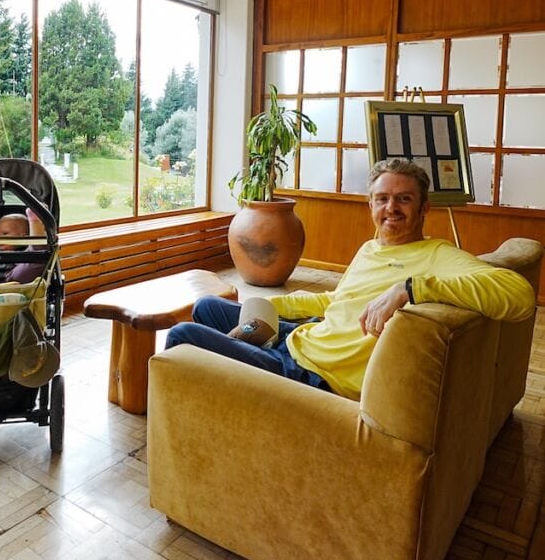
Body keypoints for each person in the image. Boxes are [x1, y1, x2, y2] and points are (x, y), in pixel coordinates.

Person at [165, 158, 536, 399]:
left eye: (404, 199)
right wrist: (269, 306)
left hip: (308, 374)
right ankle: (228, 375)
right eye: (382, 199)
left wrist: (410, 288)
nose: (391, 208)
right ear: (371, 205)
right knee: (208, 306)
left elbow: (519, 296)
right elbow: (334, 303)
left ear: (424, 207)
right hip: (301, 337)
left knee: (181, 335)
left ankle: (198, 403)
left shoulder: (438, 256)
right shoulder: (370, 248)